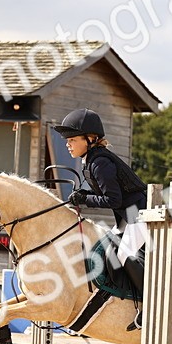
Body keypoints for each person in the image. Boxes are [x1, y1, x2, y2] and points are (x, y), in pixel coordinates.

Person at [56, 107, 148, 329]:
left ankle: (151, 305)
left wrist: (85, 199)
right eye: (67, 140)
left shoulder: (100, 163)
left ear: (90, 139)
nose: (67, 144)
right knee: (105, 252)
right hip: (127, 217)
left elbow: (113, 200)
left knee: (124, 254)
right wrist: (84, 196)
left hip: (140, 215)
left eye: (72, 139)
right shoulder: (91, 160)